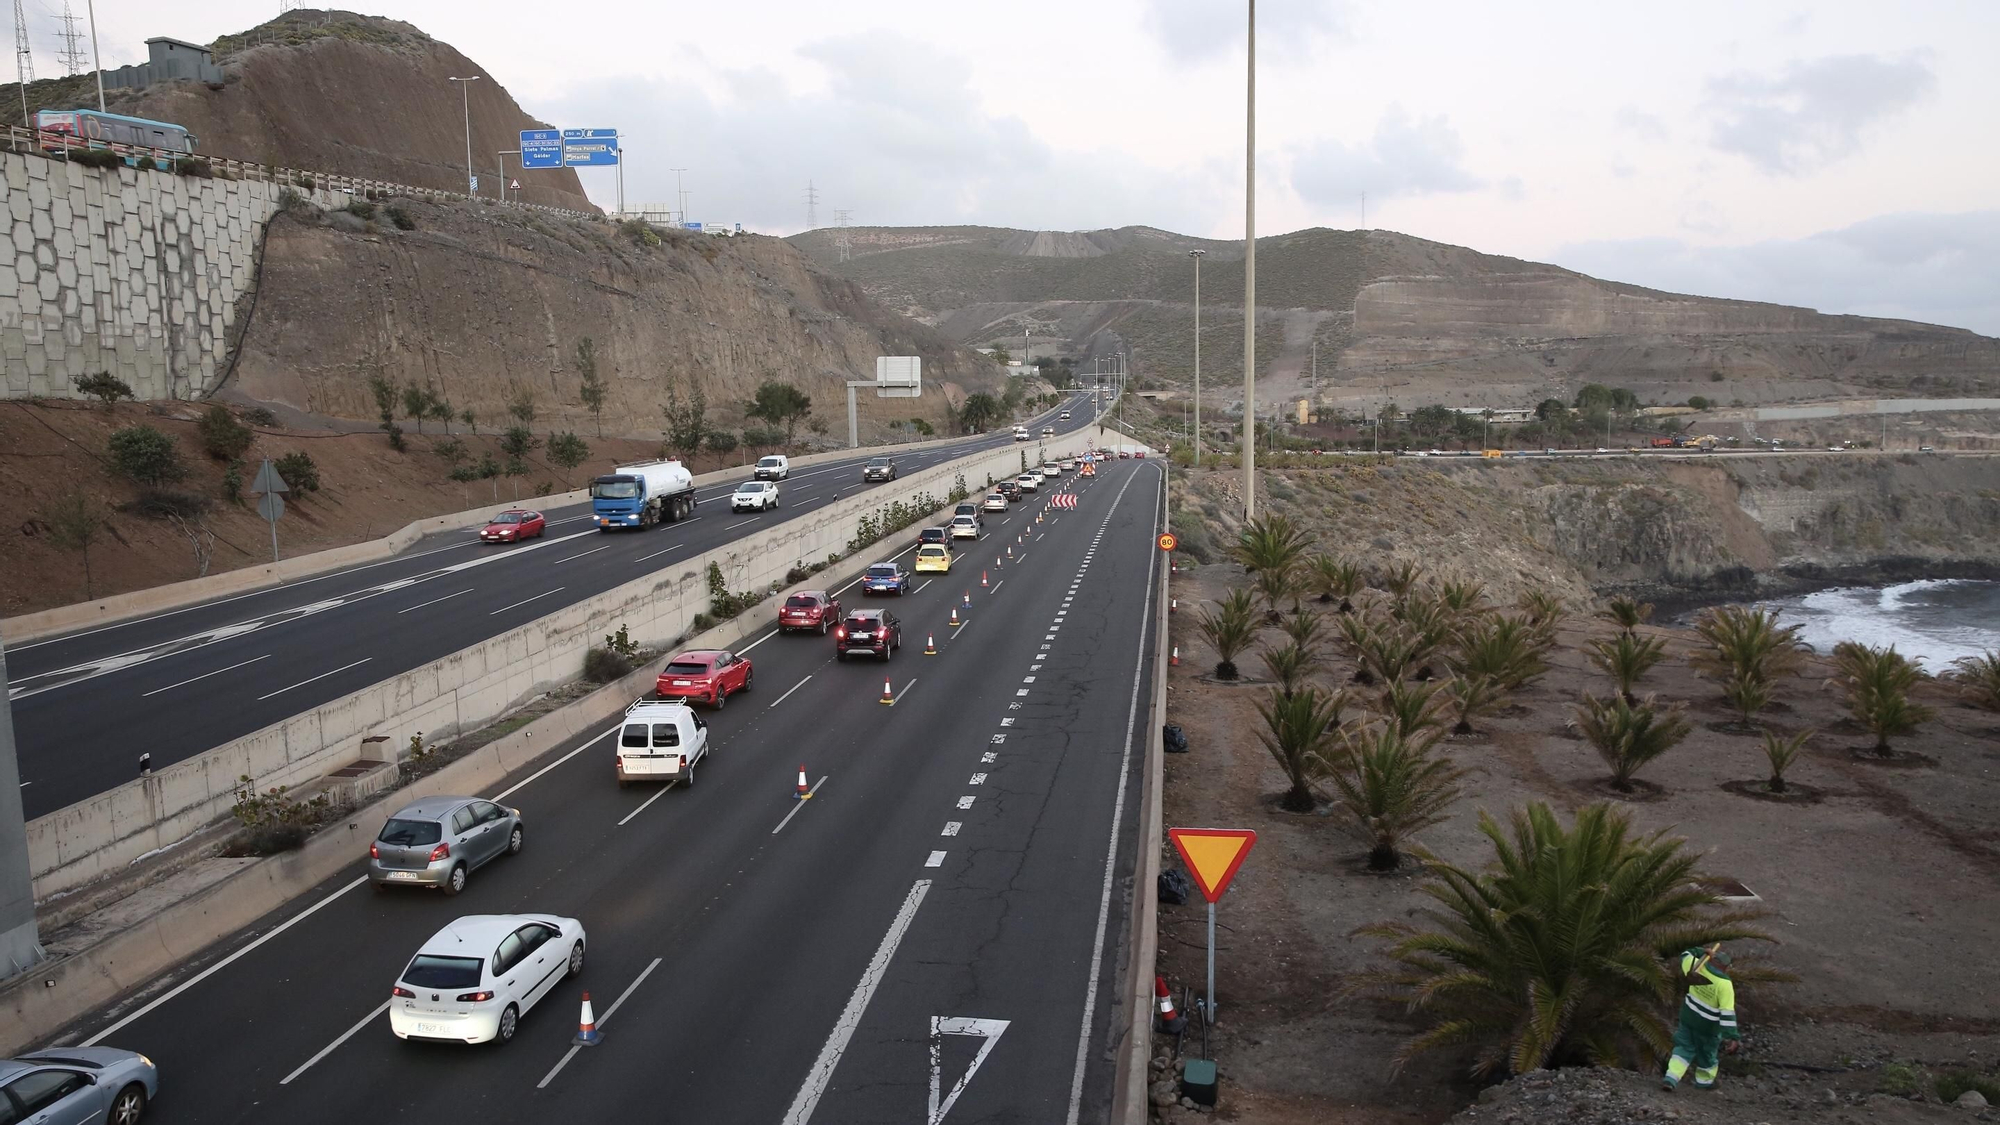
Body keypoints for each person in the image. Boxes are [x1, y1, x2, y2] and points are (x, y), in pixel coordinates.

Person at [1663, 944, 1741, 1090]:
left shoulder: (1696, 966)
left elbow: (1685, 953)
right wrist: (1732, 1036)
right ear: (1726, 967)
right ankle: (1704, 1083)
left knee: (1683, 1049)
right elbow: (1727, 1013)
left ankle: (1671, 1078)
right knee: (1707, 1054)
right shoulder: (1724, 985)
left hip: (1688, 1018)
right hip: (1708, 1028)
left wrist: (1702, 952)